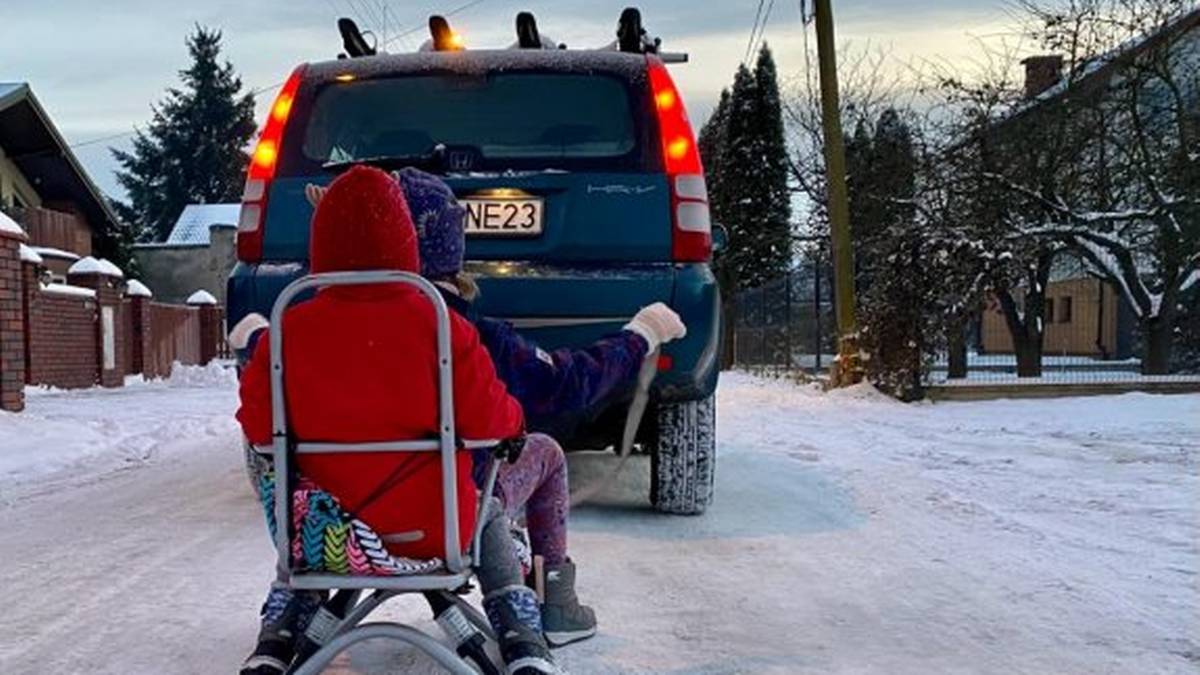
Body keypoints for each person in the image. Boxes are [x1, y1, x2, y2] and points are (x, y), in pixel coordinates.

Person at [234, 165, 560, 675]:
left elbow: (258, 430)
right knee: (489, 514)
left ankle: (278, 637)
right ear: (405, 241)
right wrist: (515, 425)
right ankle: (520, 634)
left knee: (292, 511)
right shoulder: (438, 321)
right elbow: (491, 422)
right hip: (431, 531)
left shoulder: (288, 326)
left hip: (328, 536)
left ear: (321, 242)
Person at [393, 167, 687, 645]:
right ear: (451, 246)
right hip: (445, 513)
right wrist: (640, 336)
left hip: (345, 521)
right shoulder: (473, 339)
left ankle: (297, 617)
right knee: (544, 450)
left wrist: (258, 334)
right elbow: (565, 384)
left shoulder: (309, 330)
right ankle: (554, 603)